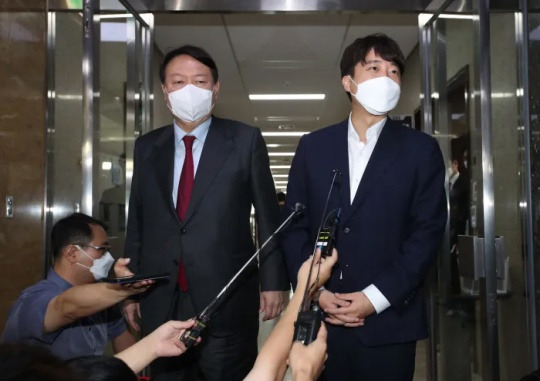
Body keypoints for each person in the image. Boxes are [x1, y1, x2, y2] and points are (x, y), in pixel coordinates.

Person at [281, 33, 447, 380]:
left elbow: (426, 233)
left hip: (388, 324)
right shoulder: (314, 148)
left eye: (394, 71)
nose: (387, 78)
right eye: (374, 68)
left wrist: (376, 297)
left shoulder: (420, 150)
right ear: (348, 82)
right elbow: (294, 225)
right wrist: (316, 291)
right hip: (319, 324)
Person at [124, 45, 290, 381]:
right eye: (178, 81)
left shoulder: (244, 140)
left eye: (199, 81)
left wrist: (274, 282)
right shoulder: (146, 147)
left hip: (227, 297)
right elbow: (137, 222)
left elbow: (269, 217)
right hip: (161, 297)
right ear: (165, 90)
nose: (189, 89)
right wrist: (130, 289)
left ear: (215, 89)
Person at [1, 213, 153, 360]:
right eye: (102, 250)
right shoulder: (32, 299)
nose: (108, 257)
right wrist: (123, 288)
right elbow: (67, 306)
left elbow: (126, 349)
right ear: (72, 253)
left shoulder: (102, 297)